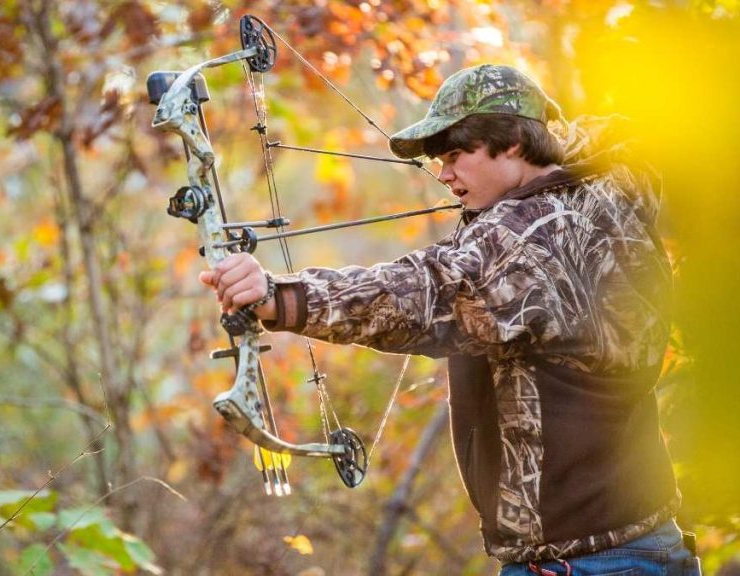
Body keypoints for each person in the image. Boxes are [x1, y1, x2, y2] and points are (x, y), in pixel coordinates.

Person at [199, 64, 701, 575]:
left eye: (456, 156)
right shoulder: (608, 186)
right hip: (647, 542)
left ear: (512, 144)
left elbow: (420, 294)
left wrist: (277, 296)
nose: (444, 174)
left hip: (588, 561)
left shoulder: (527, 239)